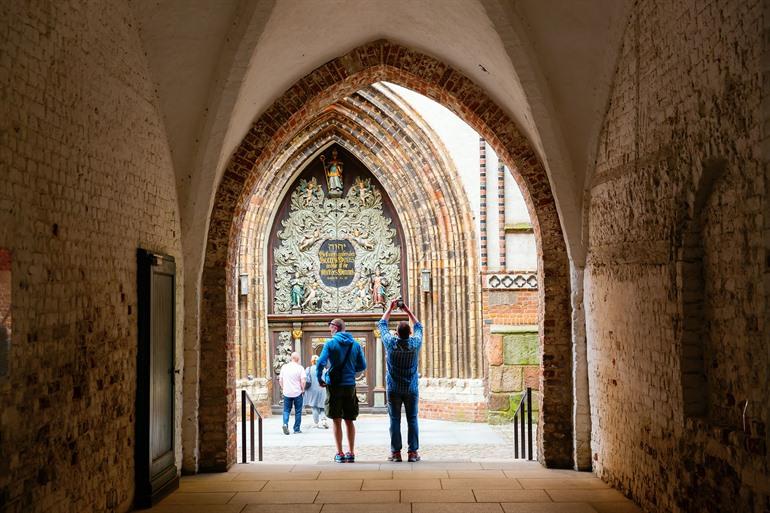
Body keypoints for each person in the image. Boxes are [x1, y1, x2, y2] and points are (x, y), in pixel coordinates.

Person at [378, 299, 423, 462]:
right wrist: (408, 310)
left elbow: (382, 324)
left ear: (396, 334)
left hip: (394, 389)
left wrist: (390, 308)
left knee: (394, 420)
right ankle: (413, 453)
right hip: (411, 389)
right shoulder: (415, 344)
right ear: (409, 333)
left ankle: (396, 453)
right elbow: (419, 326)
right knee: (412, 419)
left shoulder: (391, 344)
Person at [317, 318, 366, 463]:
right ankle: (351, 452)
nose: (329, 329)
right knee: (349, 420)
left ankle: (339, 453)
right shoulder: (355, 345)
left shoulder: (330, 343)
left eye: (330, 326)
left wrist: (320, 378)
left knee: (336, 420)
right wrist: (350, 371)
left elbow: (320, 362)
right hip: (350, 385)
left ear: (336, 328)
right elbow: (362, 365)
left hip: (334, 385)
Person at [278, 351, 306, 435]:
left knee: (286, 410)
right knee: (298, 411)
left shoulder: (284, 367)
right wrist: (303, 389)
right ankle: (296, 429)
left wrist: (283, 388)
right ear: (298, 359)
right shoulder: (300, 368)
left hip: (287, 392)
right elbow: (303, 380)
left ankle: (285, 424)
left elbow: (280, 380)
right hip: (297, 392)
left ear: (291, 358)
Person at [305, 354, 328, 429]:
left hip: (312, 390)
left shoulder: (308, 369)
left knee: (314, 406)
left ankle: (316, 423)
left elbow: (305, 380)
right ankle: (324, 420)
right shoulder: (323, 369)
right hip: (322, 389)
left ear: (312, 361)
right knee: (322, 407)